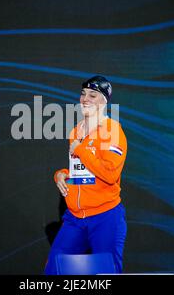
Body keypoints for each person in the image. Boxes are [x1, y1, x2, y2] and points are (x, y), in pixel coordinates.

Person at [44, 75, 128, 275]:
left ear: (104, 101)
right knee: (54, 269)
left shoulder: (113, 130)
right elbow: (81, 170)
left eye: (93, 95)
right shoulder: (76, 131)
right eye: (83, 94)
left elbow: (109, 173)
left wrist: (80, 149)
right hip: (75, 218)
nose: (85, 99)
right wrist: (61, 175)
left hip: (105, 216)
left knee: (107, 275)